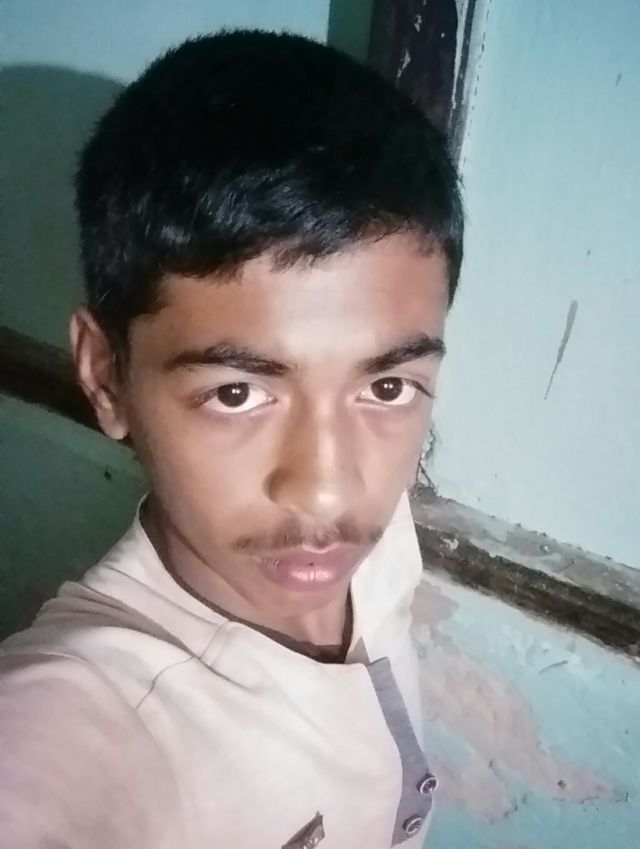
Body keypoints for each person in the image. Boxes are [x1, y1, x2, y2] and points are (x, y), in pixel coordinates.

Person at [0, 29, 463, 849]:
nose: (326, 488)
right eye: (239, 392)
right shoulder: (83, 723)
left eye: (386, 387)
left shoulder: (374, 532)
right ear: (106, 376)